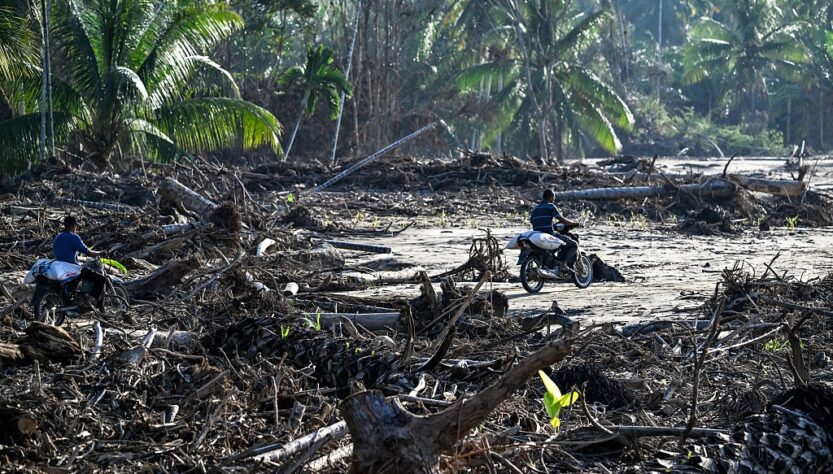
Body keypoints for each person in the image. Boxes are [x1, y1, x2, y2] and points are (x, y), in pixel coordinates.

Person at [53, 216, 105, 302]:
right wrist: (100, 253)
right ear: (73, 226)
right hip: (72, 268)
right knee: (101, 279)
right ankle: (90, 301)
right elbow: (87, 251)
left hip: (59, 268)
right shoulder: (74, 237)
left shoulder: (58, 237)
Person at [530, 189, 579, 269]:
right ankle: (564, 264)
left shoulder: (535, 208)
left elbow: (532, 221)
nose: (554, 199)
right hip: (549, 234)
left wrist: (550, 225)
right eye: (553, 197)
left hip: (537, 235)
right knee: (573, 244)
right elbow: (562, 219)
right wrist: (573, 223)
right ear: (550, 197)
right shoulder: (550, 206)